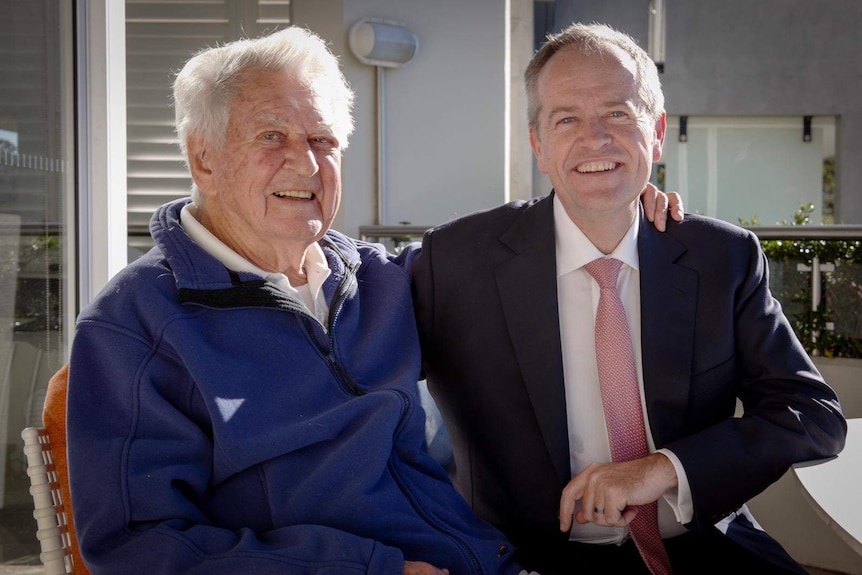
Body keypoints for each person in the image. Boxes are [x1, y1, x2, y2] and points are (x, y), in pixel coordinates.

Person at [65, 27, 527, 575]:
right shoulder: (135, 323)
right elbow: (137, 545)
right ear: (203, 160)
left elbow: (520, 266)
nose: (306, 164)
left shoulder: (378, 281)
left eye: (323, 141)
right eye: (270, 137)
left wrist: (636, 206)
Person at [411, 22, 847, 575]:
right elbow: (364, 379)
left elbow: (814, 416)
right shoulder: (456, 261)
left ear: (657, 131)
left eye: (618, 113)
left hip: (705, 544)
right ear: (538, 144)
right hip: (529, 561)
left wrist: (665, 467)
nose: (595, 139)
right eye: (567, 118)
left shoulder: (719, 257)